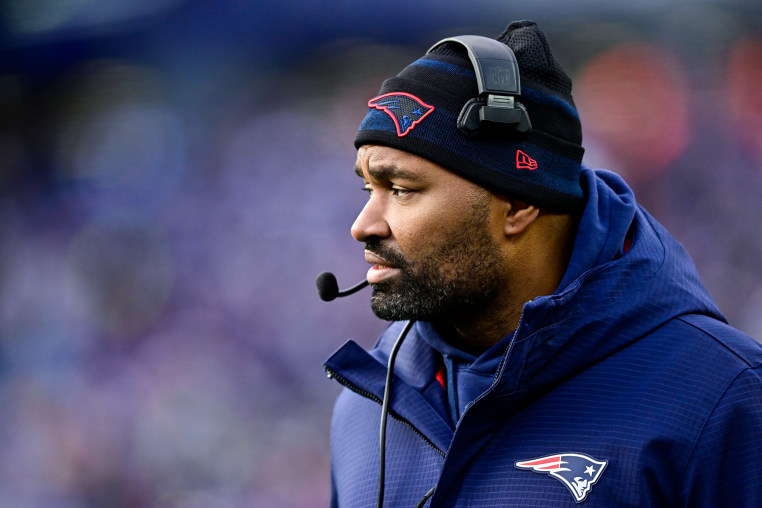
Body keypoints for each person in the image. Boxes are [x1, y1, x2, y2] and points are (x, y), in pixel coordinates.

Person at [322, 20, 762, 507]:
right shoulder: (367, 410)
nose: (363, 225)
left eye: (401, 189)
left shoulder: (723, 398)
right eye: (370, 188)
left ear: (517, 203)